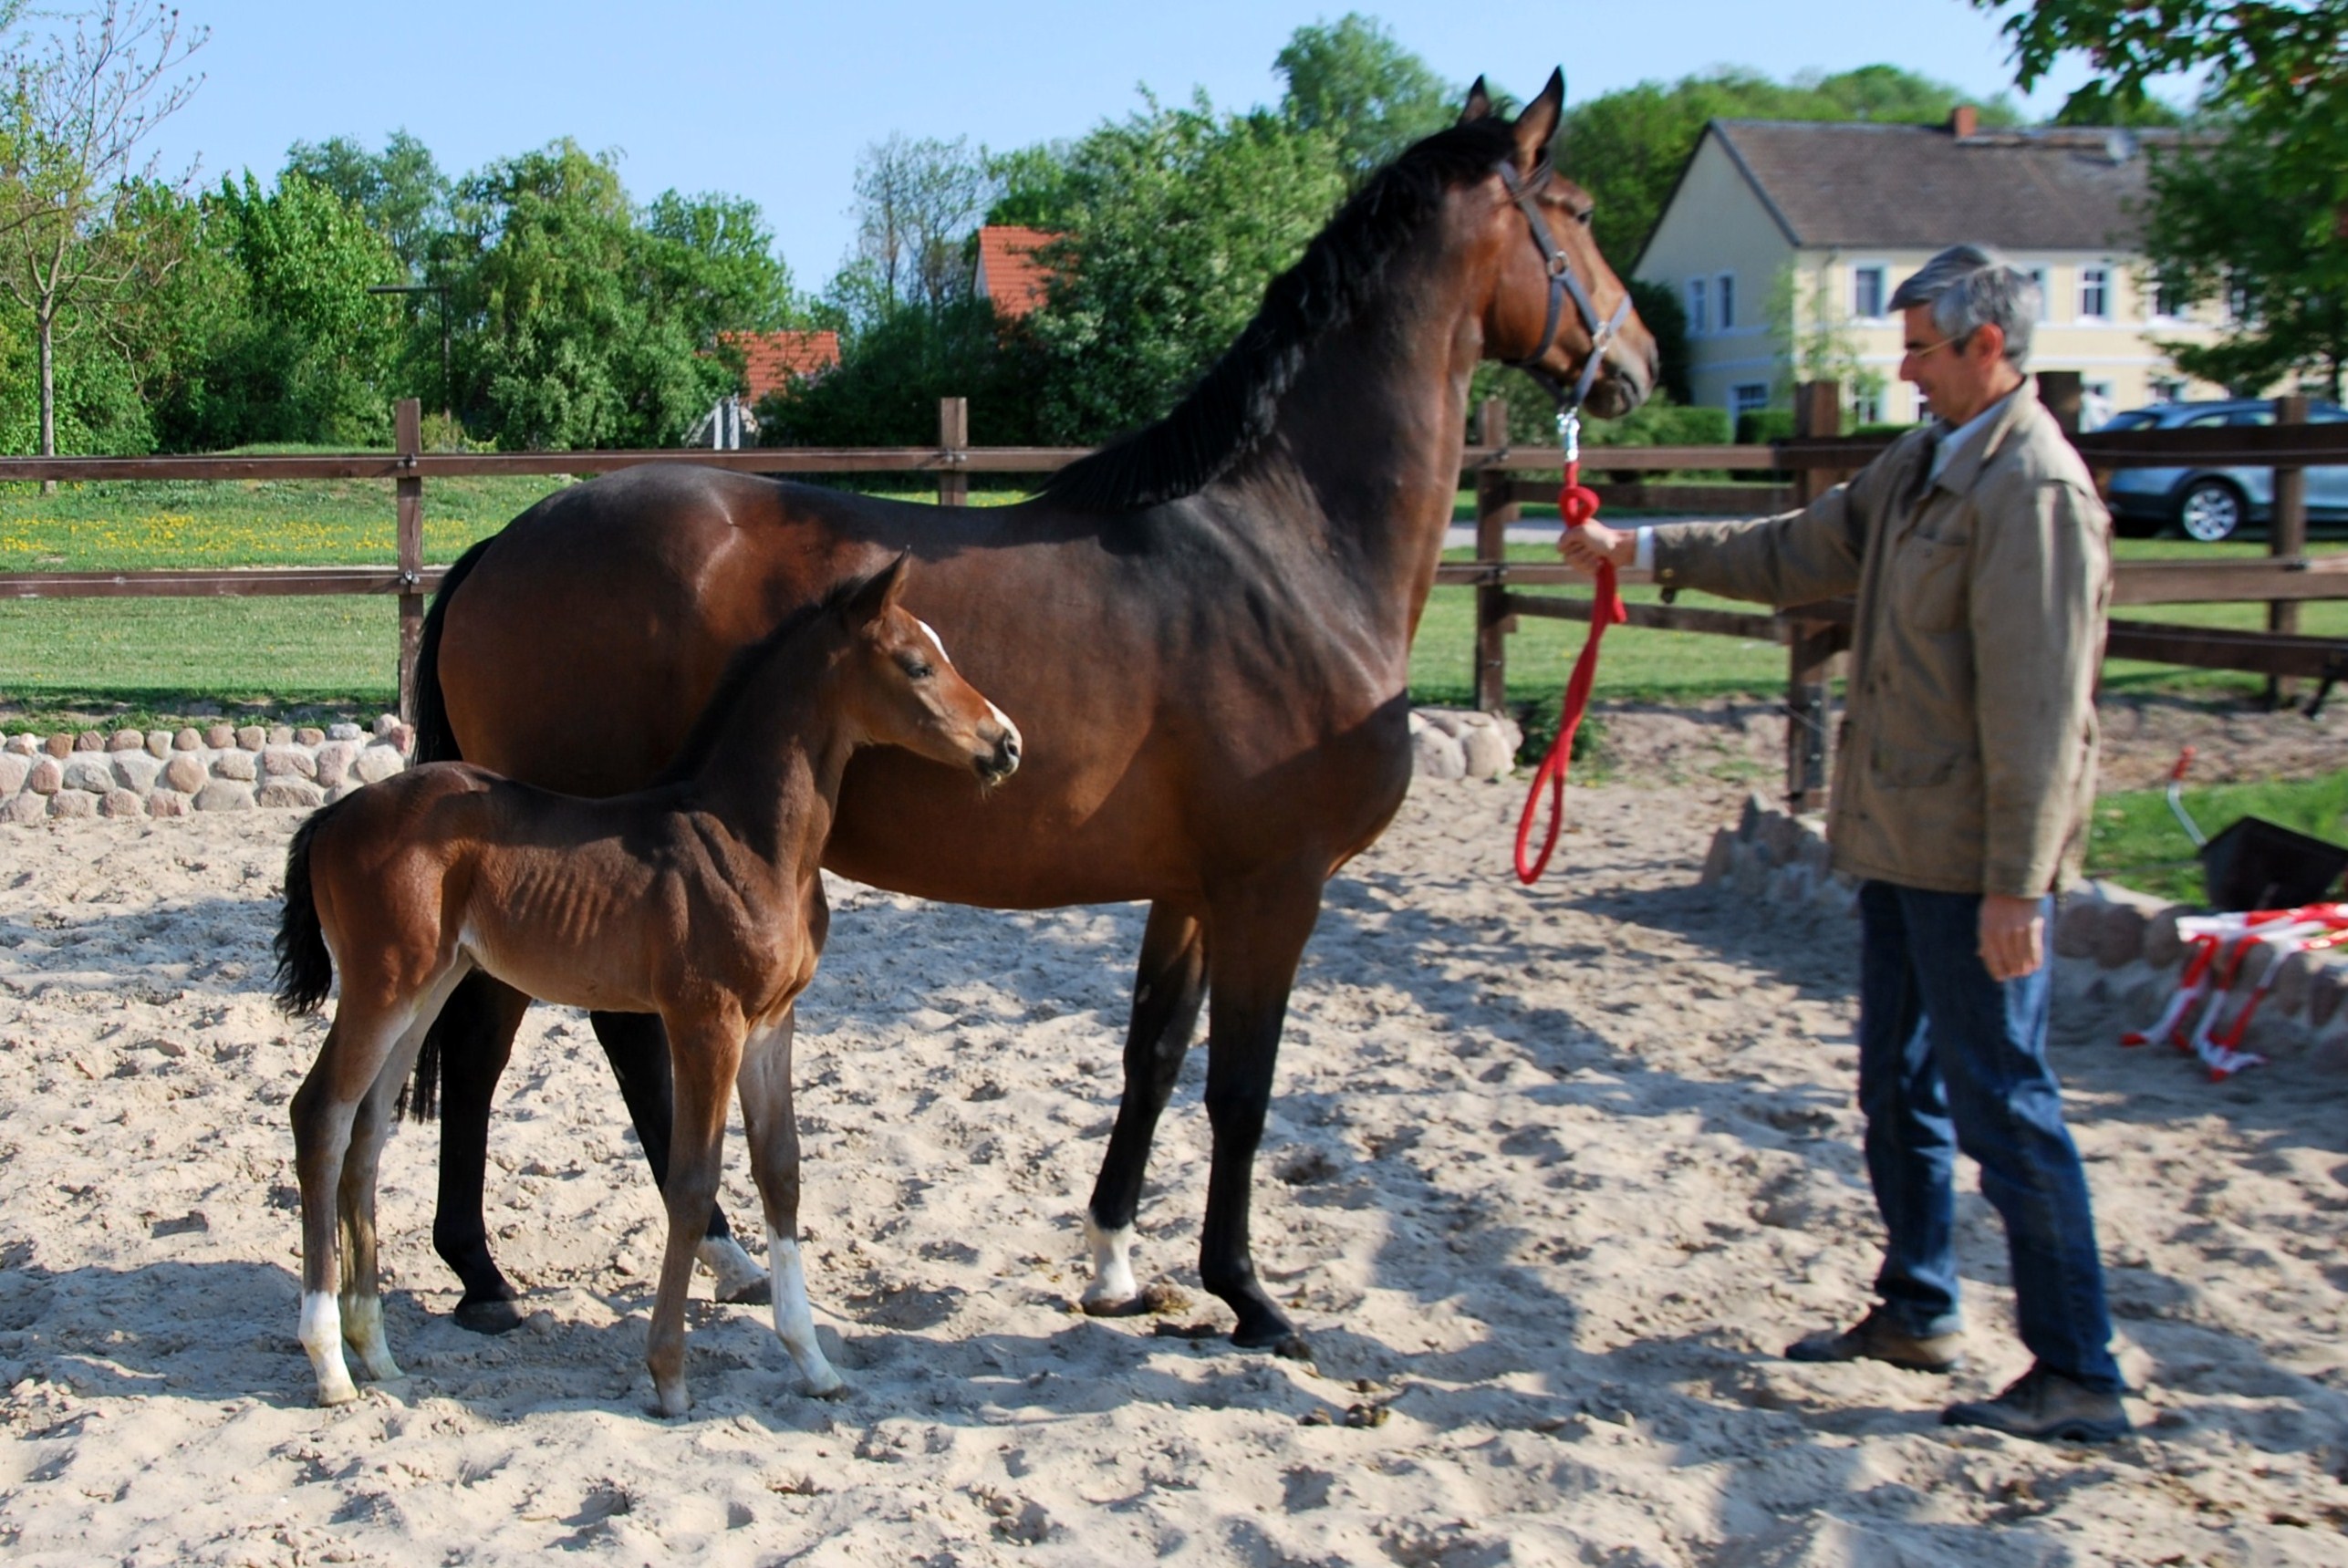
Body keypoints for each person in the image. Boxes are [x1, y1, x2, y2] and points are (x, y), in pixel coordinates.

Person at [1561, 244, 2129, 1443]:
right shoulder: (1924, 464)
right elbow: (1795, 549)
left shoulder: (2029, 491)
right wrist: (1642, 553)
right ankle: (1918, 1308)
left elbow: (2041, 716)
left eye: (1920, 347)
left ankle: (2077, 1369)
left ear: (1988, 347)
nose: (1904, 367)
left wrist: (2017, 886)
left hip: (1972, 860)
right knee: (1897, 1087)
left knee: (2004, 1105)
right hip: (1896, 840)